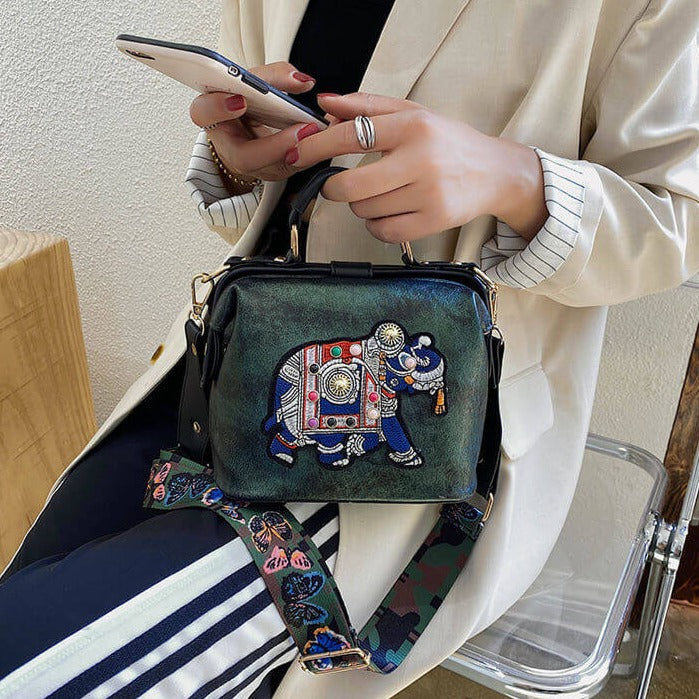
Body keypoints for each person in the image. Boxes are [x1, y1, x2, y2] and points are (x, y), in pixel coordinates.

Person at [1, 1, 697, 697]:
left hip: (440, 450)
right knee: (38, 577)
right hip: (234, 363)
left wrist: (512, 178)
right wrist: (239, 158)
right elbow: (269, 192)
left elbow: (677, 222)